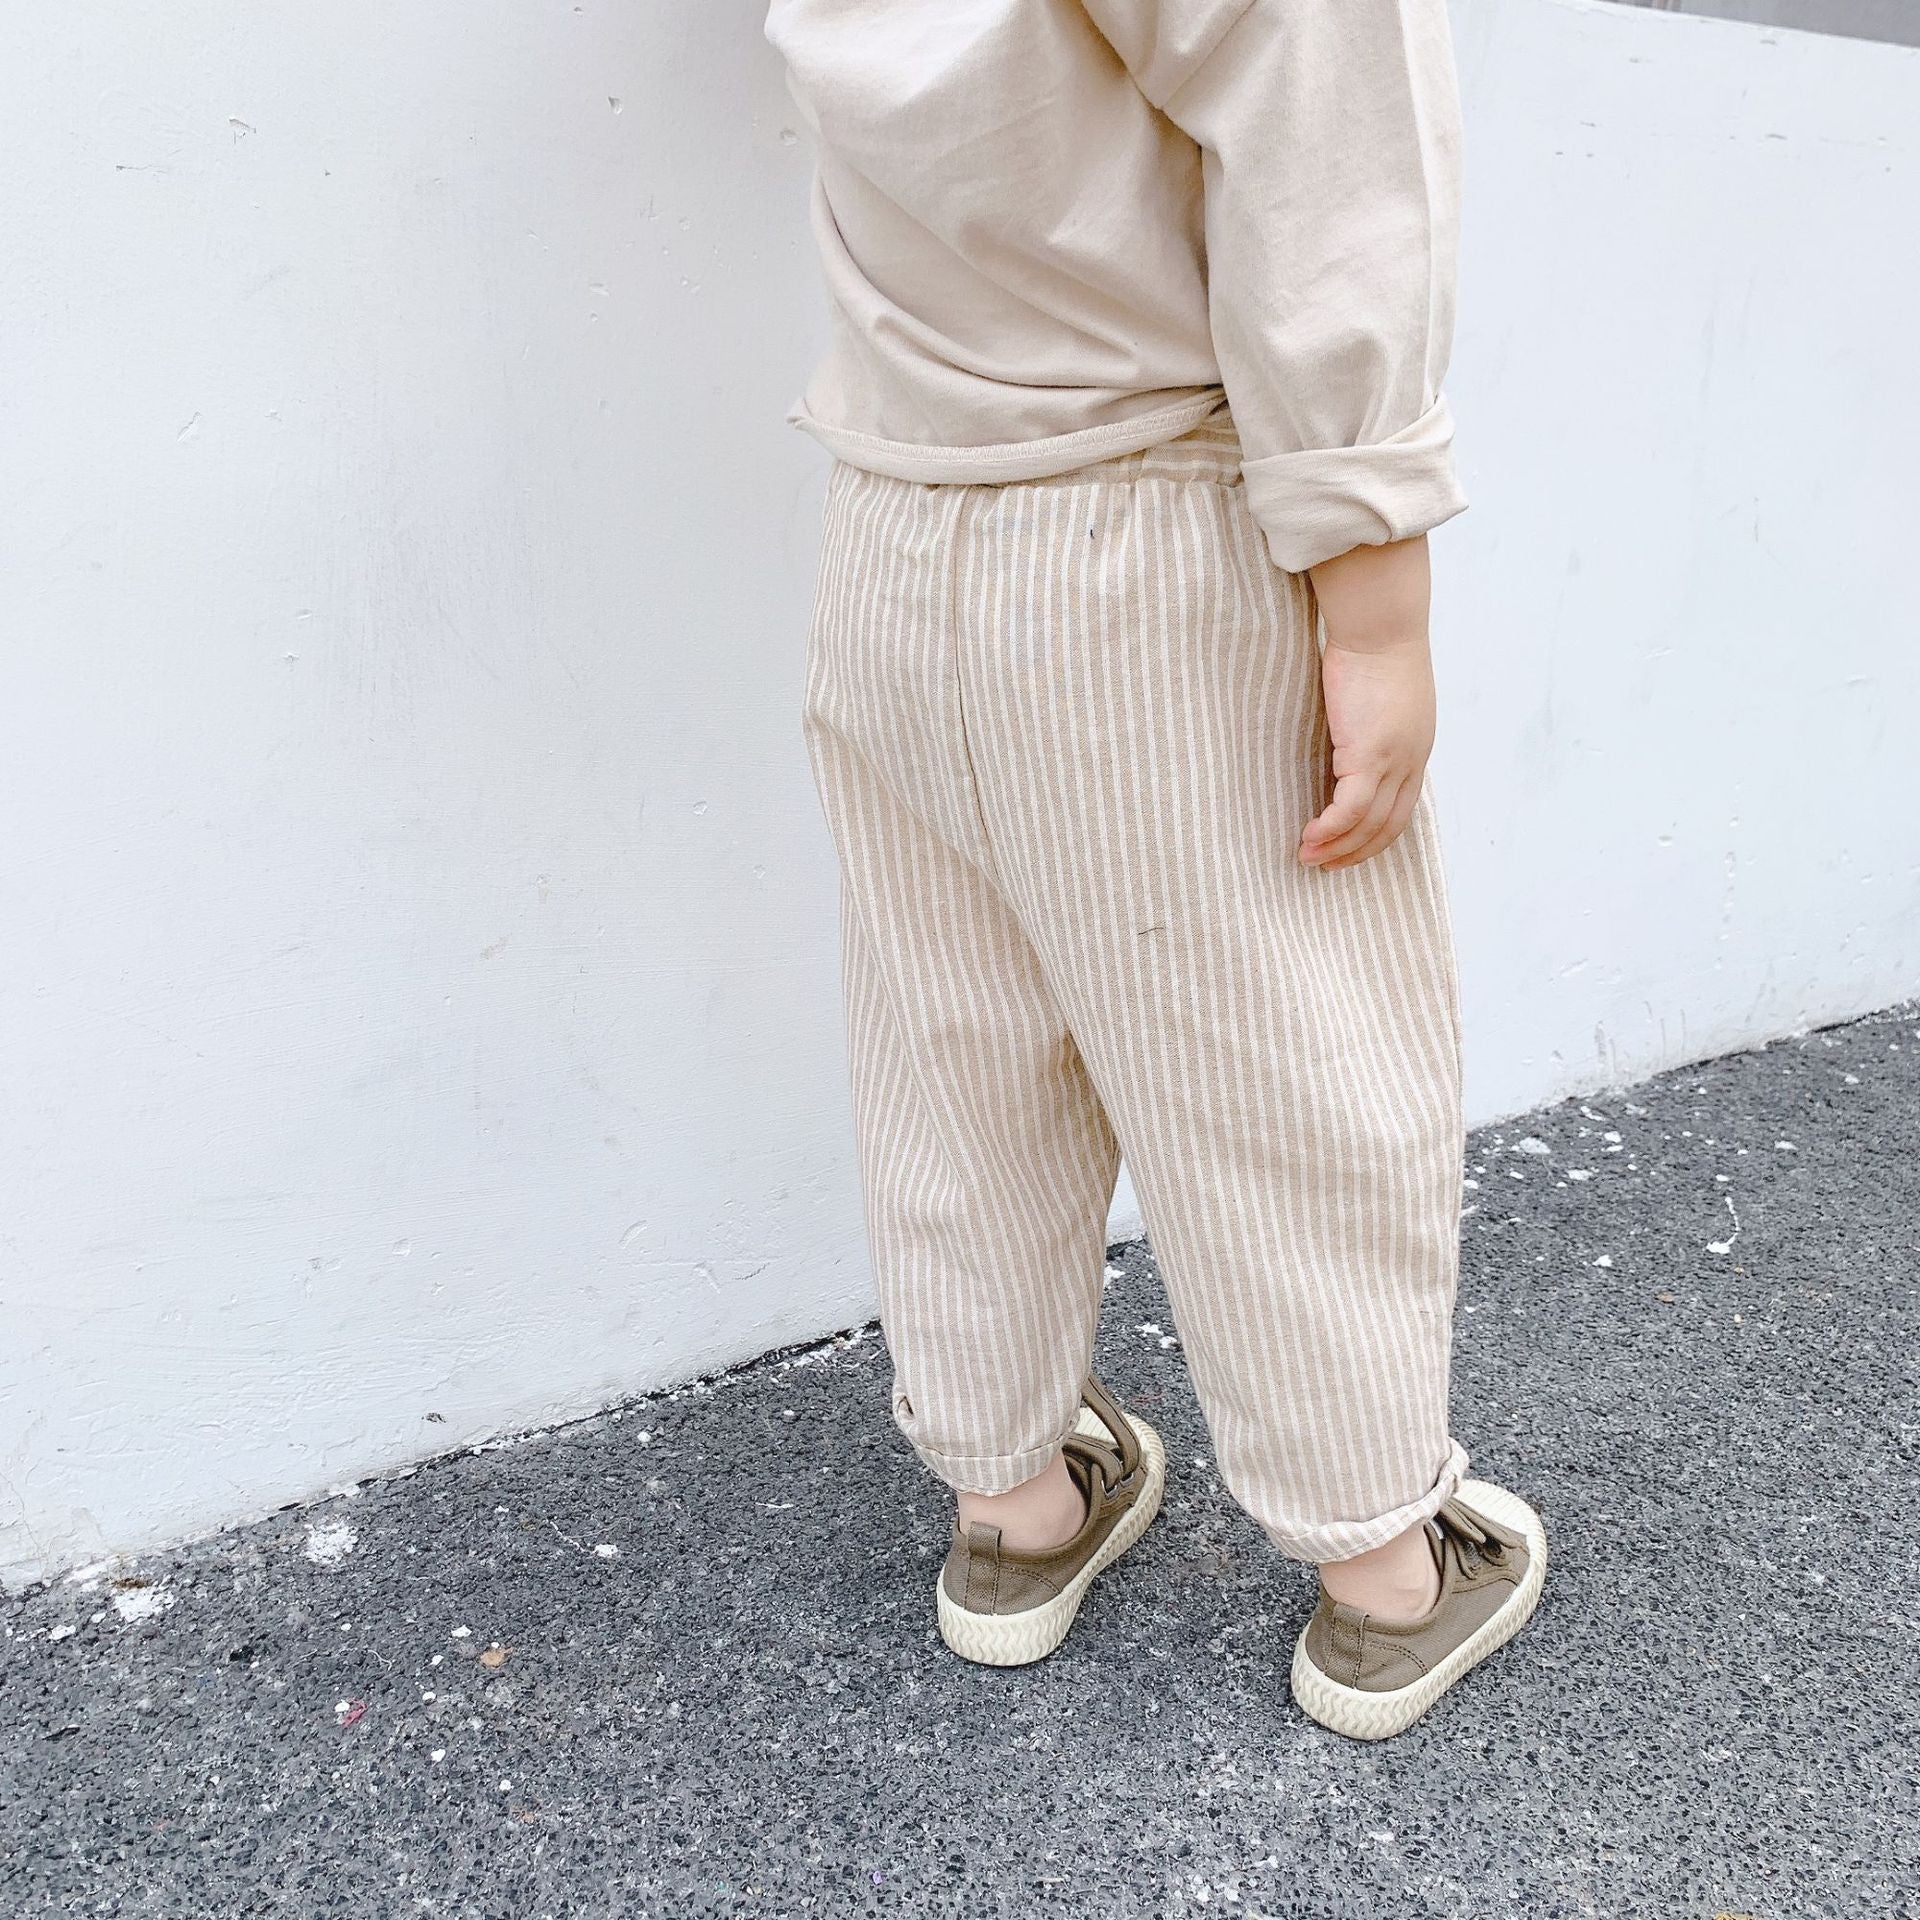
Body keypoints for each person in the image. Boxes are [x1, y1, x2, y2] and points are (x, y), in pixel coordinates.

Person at [763, 0, 1545, 1741]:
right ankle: (1382, 1572)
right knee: (1280, 1066)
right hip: (1142, 538)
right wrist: (1372, 589)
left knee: (955, 1049)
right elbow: (1327, 147)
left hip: (889, 531)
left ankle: (1012, 1504)